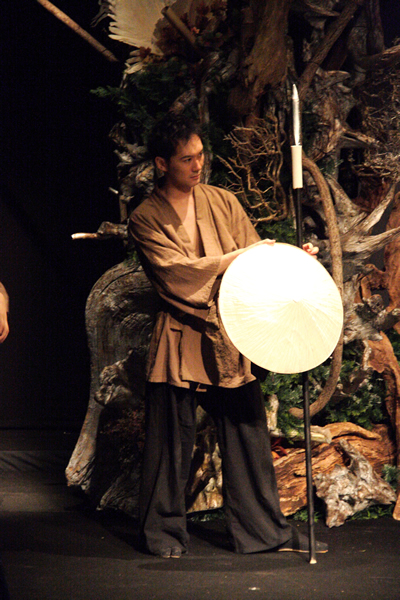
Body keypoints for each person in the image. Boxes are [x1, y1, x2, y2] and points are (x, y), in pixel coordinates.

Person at [129, 114, 327, 559]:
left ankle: (265, 531)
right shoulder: (146, 218)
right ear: (162, 163)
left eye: (200, 155)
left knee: (248, 437)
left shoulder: (223, 201)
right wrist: (238, 258)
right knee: (170, 443)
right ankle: (162, 532)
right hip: (180, 338)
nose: (197, 165)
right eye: (186, 159)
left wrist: (293, 261)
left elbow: (256, 263)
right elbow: (175, 274)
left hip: (229, 337)